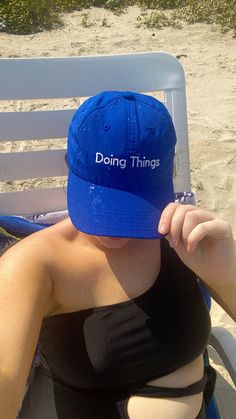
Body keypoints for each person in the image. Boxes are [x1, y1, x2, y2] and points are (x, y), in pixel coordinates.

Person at [0, 91, 235, 419]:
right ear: (70, 167)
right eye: (103, 204)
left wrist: (226, 275)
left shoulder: (181, 236)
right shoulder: (35, 264)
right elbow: (6, 376)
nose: (115, 230)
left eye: (134, 207)